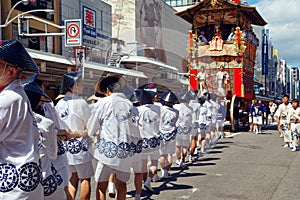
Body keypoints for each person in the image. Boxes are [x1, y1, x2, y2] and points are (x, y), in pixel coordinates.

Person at [0, 39, 43, 199]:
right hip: (23, 181)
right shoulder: (16, 96)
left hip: (12, 187)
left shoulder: (6, 99)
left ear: (10, 71)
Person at [87, 76, 138, 200]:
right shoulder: (130, 105)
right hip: (125, 151)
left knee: (101, 185)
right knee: (121, 184)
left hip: (107, 152)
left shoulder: (103, 103)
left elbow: (91, 129)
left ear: (107, 91)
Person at [55, 72, 94, 200]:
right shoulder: (80, 102)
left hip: (65, 145)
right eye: (79, 83)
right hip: (80, 144)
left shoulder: (59, 104)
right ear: (72, 86)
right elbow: (90, 124)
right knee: (85, 179)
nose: (81, 85)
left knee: (73, 176)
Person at [159, 91, 179, 178]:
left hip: (162, 133)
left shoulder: (161, 110)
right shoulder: (176, 112)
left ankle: (163, 171)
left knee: (162, 154)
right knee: (170, 154)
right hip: (172, 133)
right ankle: (166, 172)